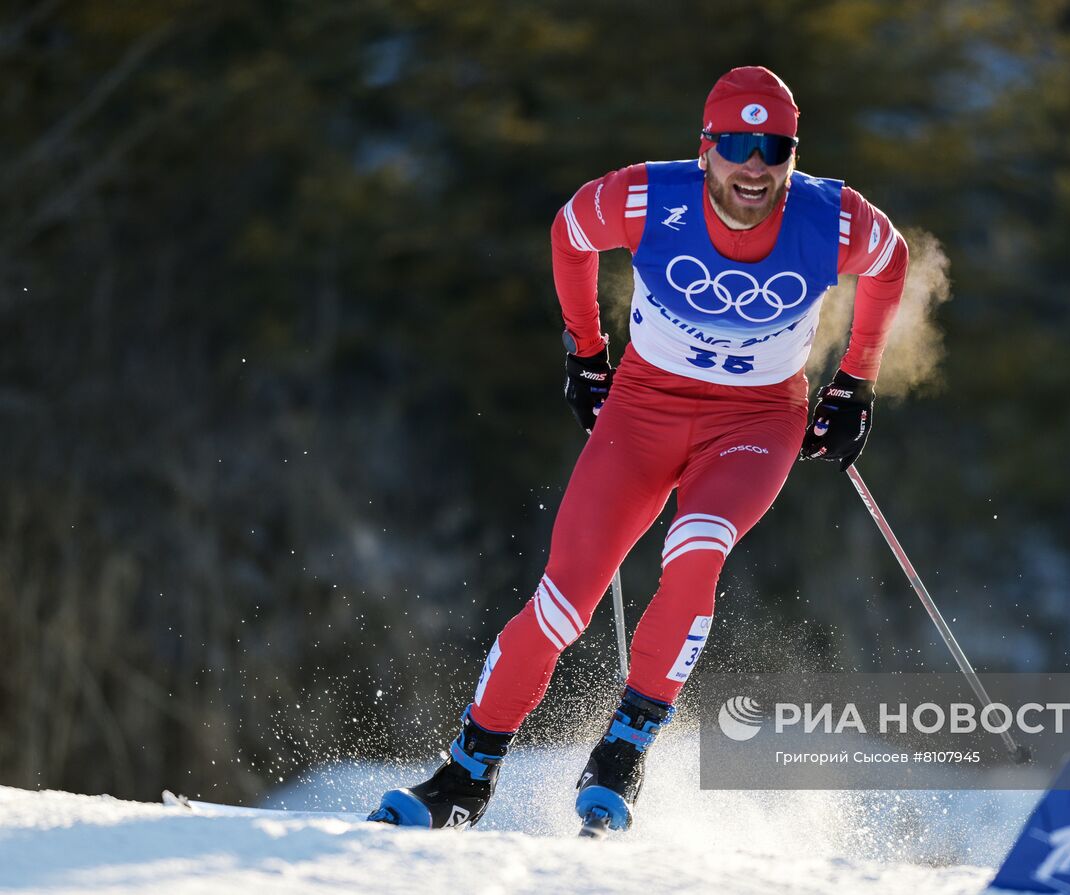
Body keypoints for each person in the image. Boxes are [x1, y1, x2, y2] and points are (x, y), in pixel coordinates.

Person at [369, 65, 909, 832]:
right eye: (736, 144)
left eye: (774, 147)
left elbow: (892, 266)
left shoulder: (837, 219)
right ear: (705, 148)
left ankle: (624, 748)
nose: (754, 165)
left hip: (754, 424)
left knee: (698, 544)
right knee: (562, 603)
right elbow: (569, 233)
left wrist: (856, 380)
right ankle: (465, 774)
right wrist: (584, 351)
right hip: (643, 409)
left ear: (793, 152)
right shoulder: (644, 196)